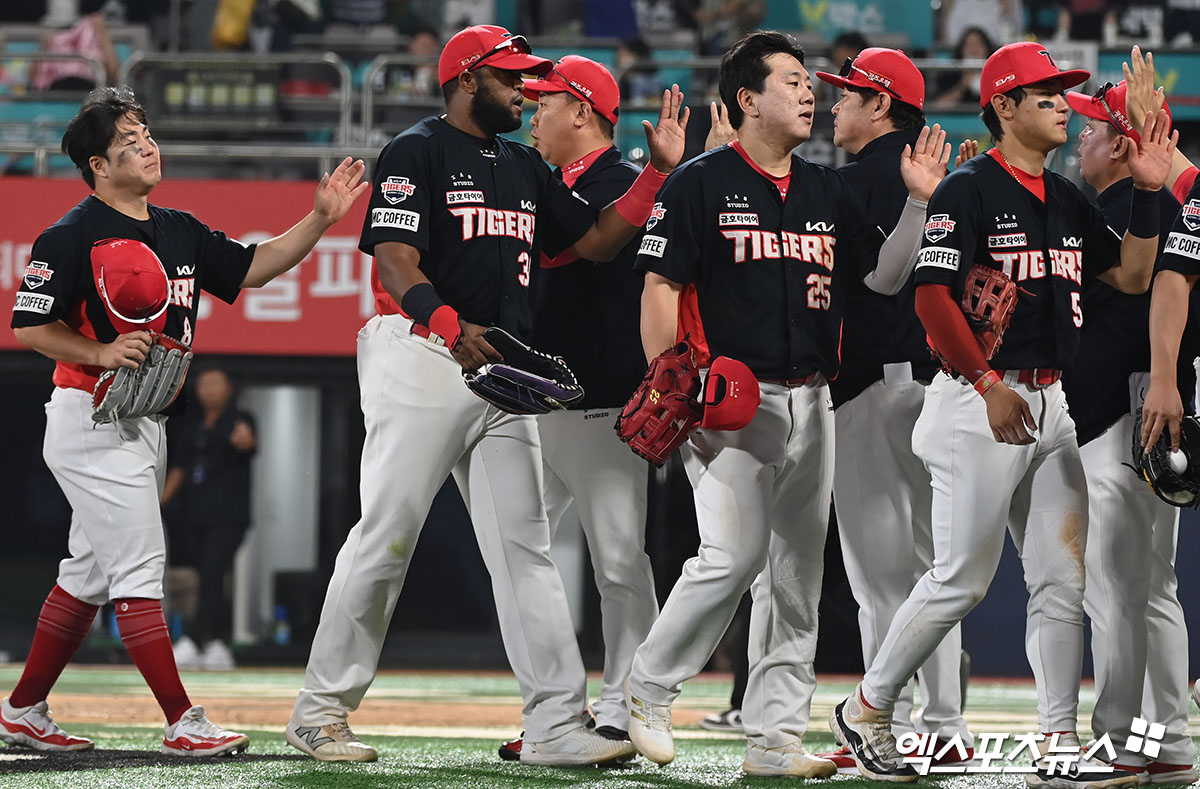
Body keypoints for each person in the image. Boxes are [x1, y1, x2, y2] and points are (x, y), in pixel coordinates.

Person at [284, 24, 688, 766]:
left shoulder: (525, 166)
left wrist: (657, 174)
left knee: (526, 550)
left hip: (501, 372)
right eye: (510, 78)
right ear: (467, 78)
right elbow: (396, 260)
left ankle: (554, 723)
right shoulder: (417, 149)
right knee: (388, 535)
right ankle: (320, 711)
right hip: (426, 358)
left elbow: (598, 240)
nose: (524, 90)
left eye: (529, 80)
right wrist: (444, 321)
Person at [829, 41, 1175, 787]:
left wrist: (1148, 191)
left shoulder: (1068, 197)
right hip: (974, 400)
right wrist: (987, 383)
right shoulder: (968, 189)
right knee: (960, 578)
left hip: (1050, 403)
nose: (1060, 102)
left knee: (1060, 581)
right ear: (1004, 107)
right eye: (1044, 91)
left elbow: (1136, 271)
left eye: (1063, 92)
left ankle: (1057, 745)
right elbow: (929, 297)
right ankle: (868, 704)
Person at [2, 85, 367, 756]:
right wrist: (99, 350)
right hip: (92, 417)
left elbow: (255, 267)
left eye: (146, 134)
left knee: (87, 570)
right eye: (127, 143)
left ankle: (24, 708)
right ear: (97, 167)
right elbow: (28, 323)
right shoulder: (71, 233)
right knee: (141, 566)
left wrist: (319, 219)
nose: (146, 146)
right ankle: (181, 719)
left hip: (143, 421)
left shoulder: (178, 228)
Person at [624, 30, 951, 778]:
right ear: (748, 98)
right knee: (731, 557)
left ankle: (773, 739)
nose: (811, 93)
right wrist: (666, 378)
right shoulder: (700, 182)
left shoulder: (823, 188)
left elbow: (886, 279)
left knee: (797, 578)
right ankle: (649, 684)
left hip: (815, 397)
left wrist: (918, 206)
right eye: (795, 81)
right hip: (727, 401)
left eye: (812, 84)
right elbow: (660, 287)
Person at [493, 54, 660, 759]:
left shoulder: (620, 183)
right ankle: (556, 712)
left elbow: (588, 254)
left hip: (601, 401)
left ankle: (628, 704)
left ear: (583, 111)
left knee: (619, 562)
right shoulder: (553, 182)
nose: (534, 115)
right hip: (546, 405)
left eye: (547, 104)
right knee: (522, 554)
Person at [814, 46, 974, 771]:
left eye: (848, 94)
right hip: (936, 386)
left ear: (881, 104)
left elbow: (880, 280)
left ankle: (891, 720)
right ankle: (944, 723)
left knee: (882, 577)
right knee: (935, 569)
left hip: (870, 392)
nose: (834, 105)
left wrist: (919, 203)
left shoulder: (852, 183)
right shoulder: (955, 178)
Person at [1064, 75, 1198, 786]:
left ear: (1123, 141)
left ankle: (1119, 742)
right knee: (1150, 587)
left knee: (1116, 588)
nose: (1079, 137)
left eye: (1091, 127)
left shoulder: (1122, 211)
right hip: (1151, 413)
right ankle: (1169, 739)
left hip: (1121, 416)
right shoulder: (1169, 205)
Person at [161, 367, 258, 673]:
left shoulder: (241, 420)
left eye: (216, 384)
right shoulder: (192, 426)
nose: (209, 390)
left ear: (229, 388)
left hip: (229, 515)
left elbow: (248, 443)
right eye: (204, 384)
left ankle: (191, 638)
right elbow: (180, 468)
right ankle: (215, 641)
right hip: (196, 514)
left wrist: (245, 440)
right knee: (206, 577)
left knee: (214, 572)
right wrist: (156, 504)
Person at [932, 26, 995, 107]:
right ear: (961, 50)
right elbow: (938, 106)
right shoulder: (949, 73)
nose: (973, 49)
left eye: (978, 44)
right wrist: (963, 84)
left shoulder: (997, 74)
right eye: (969, 45)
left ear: (987, 48)